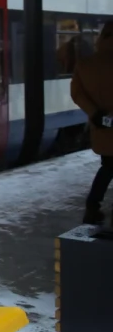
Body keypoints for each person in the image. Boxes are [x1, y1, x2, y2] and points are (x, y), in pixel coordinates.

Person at [70, 20, 113, 224]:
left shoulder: (85, 65)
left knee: (108, 166)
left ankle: (92, 206)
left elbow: (77, 94)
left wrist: (95, 114)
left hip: (103, 127)